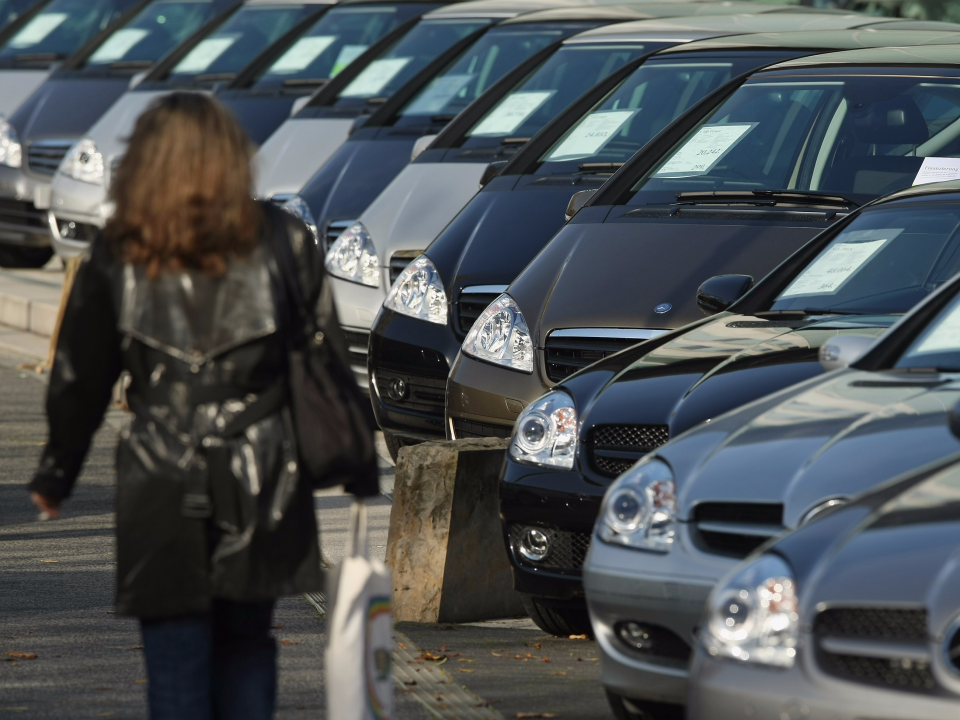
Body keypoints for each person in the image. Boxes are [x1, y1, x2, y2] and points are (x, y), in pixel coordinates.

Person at [28, 92, 377, 720]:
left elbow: (80, 375)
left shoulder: (122, 247)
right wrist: (354, 462)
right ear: (230, 157)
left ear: (147, 161)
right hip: (264, 468)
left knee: (174, 659)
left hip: (160, 472)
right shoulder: (281, 237)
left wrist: (57, 473)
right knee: (246, 646)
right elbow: (320, 355)